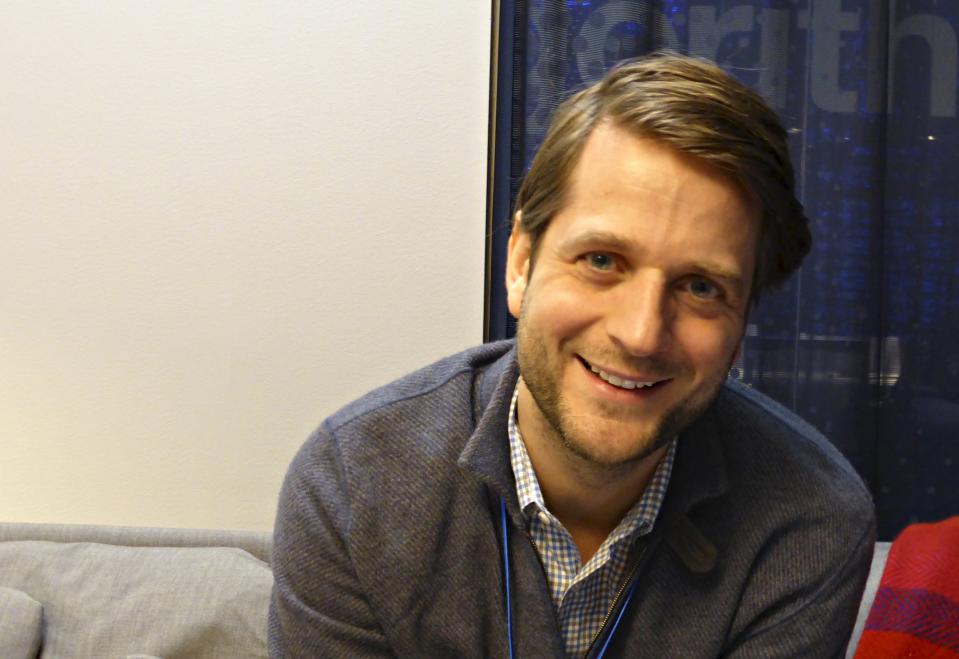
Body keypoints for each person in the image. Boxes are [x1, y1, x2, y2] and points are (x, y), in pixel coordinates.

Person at [269, 52, 876, 658]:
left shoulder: (807, 523)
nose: (641, 335)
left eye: (700, 288)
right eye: (602, 260)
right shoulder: (355, 484)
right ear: (521, 264)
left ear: (742, 322)